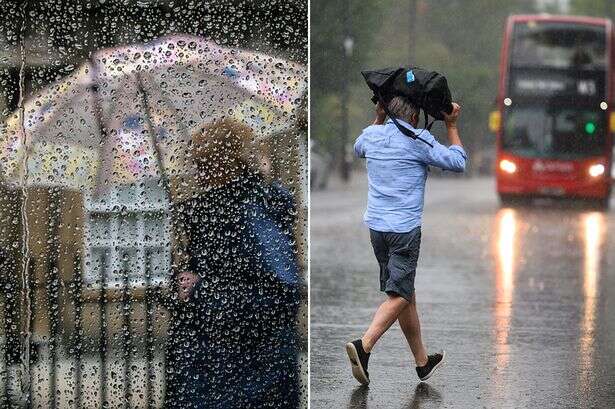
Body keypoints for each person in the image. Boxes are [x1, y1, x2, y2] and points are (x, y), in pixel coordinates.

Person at [165, 118, 302, 408]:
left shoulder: (256, 211)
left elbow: (280, 293)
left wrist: (199, 290)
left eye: (204, 166)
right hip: (208, 371)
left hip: (248, 378)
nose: (198, 175)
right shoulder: (209, 211)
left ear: (227, 163)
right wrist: (182, 282)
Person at [346, 96, 467, 385]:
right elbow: (458, 162)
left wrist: (378, 118)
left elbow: (357, 148)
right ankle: (364, 346)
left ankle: (422, 362)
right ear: (414, 117)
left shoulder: (372, 134)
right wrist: (451, 126)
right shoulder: (418, 139)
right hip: (404, 230)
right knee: (399, 294)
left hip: (377, 228)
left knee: (405, 294)